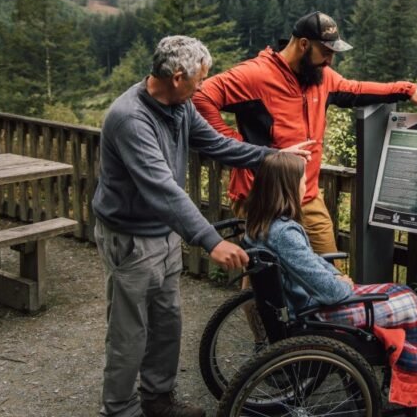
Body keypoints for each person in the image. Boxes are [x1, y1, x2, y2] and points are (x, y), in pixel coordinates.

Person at [92, 36, 312, 417]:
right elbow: (163, 190)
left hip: (163, 233)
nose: (203, 85)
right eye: (200, 78)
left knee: (167, 323)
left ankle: (157, 400)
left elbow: (217, 144)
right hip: (130, 239)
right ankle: (120, 409)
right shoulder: (130, 118)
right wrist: (212, 241)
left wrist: (270, 157)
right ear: (178, 77)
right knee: (129, 332)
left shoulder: (180, 107)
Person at [243, 152, 417, 413]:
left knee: (402, 293)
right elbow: (330, 292)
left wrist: (335, 276)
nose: (305, 185)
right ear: (288, 186)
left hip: (303, 306)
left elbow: (311, 263)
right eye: (302, 180)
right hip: (315, 313)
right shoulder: (285, 234)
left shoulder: (260, 226)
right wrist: (342, 283)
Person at [193, 10, 417, 255]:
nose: (330, 60)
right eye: (326, 52)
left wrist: (406, 90)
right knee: (269, 270)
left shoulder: (321, 77)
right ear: (303, 44)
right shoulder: (254, 75)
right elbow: (200, 96)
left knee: (328, 265)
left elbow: (355, 89)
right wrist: (234, 144)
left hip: (306, 195)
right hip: (261, 196)